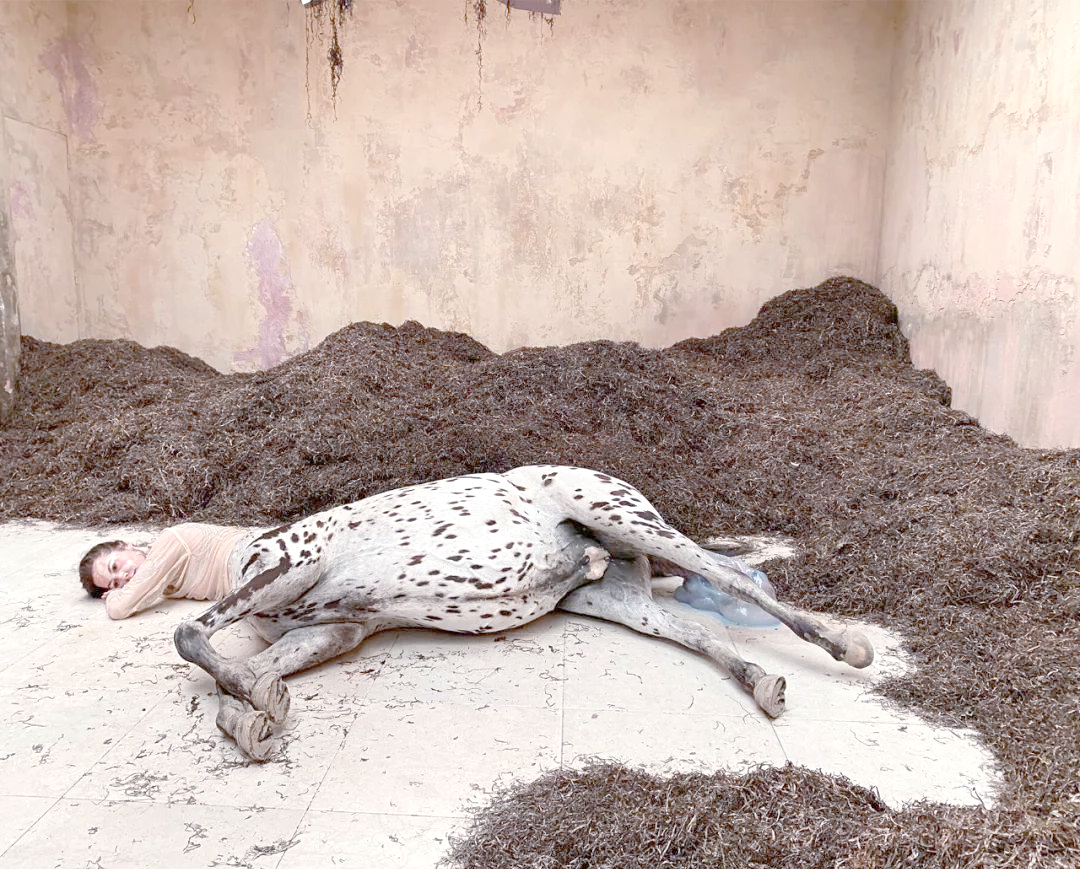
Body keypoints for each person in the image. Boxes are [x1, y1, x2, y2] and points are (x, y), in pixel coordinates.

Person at [78, 523, 260, 620]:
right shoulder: (162, 581)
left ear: (124, 545)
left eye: (115, 567)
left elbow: (119, 609)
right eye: (116, 584)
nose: (123, 577)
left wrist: (113, 596)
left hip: (252, 555)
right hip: (248, 581)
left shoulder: (169, 541)